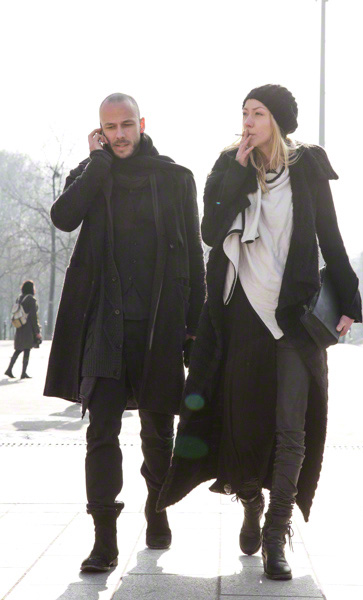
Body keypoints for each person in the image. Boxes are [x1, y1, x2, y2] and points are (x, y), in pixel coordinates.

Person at [158, 84, 362, 581]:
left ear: (279, 121)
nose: (248, 121)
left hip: (295, 314)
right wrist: (236, 171)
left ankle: (275, 533)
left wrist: (350, 298)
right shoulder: (227, 164)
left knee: (292, 427)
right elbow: (211, 231)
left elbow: (330, 234)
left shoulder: (307, 167)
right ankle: (250, 499)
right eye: (245, 112)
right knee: (244, 424)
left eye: (259, 113)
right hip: (242, 315)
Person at [44, 93, 205, 572]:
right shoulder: (91, 174)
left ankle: (157, 509)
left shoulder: (175, 178)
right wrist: (97, 164)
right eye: (109, 127)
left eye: (126, 124)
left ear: (141, 124)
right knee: (101, 433)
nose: (119, 134)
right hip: (104, 327)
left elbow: (194, 258)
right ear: (99, 130)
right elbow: (63, 218)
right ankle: (104, 540)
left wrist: (194, 329)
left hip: (158, 326)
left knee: (158, 433)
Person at [4, 280, 42, 379]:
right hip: (28, 329)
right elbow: (33, 317)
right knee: (27, 349)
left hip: (20, 327)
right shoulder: (31, 300)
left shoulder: (19, 298)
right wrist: (37, 331)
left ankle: (9, 369)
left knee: (18, 349)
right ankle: (23, 372)